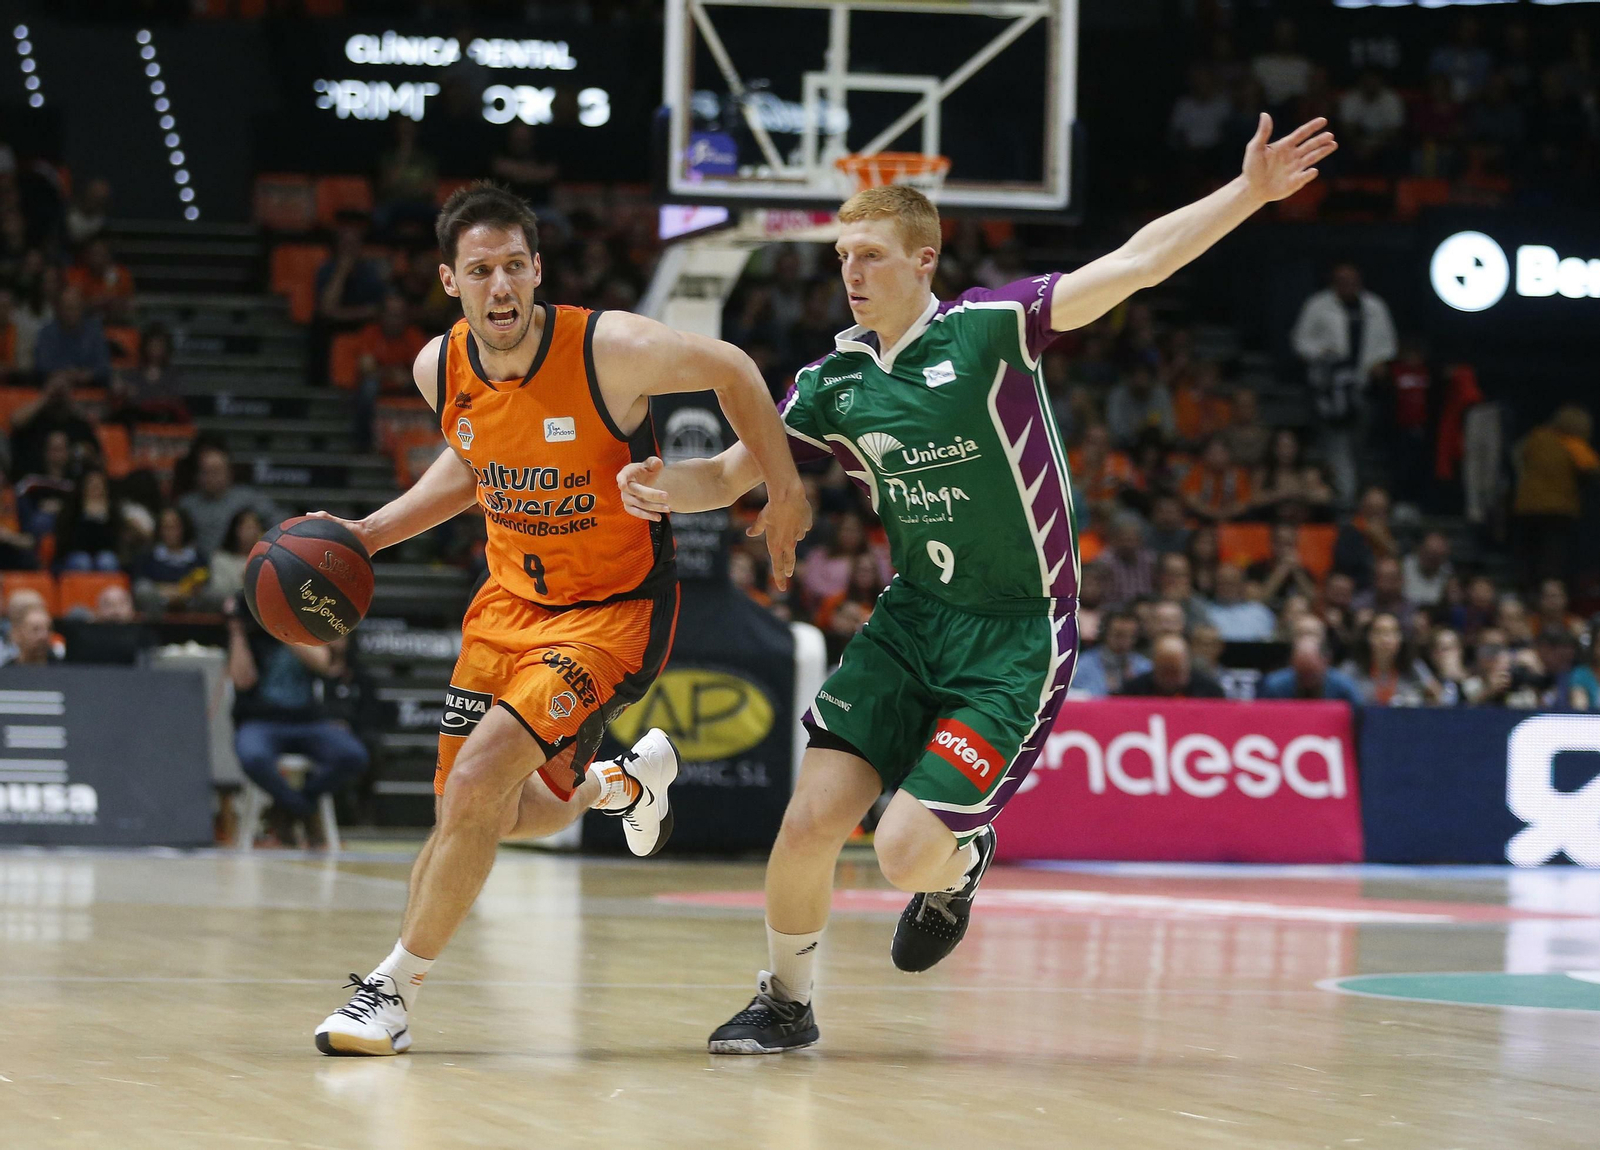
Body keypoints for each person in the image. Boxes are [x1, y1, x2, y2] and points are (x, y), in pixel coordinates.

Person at [616, 114, 1336, 1053]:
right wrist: (654, 488)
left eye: (870, 255)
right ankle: (785, 1006)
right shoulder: (833, 382)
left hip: (1016, 634)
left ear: (925, 261)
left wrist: (1246, 192)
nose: (852, 274)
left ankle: (958, 868)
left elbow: (1136, 265)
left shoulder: (992, 329)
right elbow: (724, 478)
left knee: (903, 851)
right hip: (912, 622)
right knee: (806, 825)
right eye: (843, 258)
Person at [309, 182, 811, 1056]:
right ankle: (621, 785)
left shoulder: (609, 348)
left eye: (513, 267)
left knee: (474, 787)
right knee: (487, 816)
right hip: (505, 607)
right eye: (480, 271)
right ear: (449, 280)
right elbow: (473, 465)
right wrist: (370, 533)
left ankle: (388, 993)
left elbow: (732, 367)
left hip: (611, 613)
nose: (499, 287)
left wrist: (786, 491)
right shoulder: (441, 367)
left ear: (537, 270)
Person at [227, 599, 368, 847]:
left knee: (352, 754)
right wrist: (236, 630)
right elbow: (242, 680)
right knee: (252, 756)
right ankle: (301, 808)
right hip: (261, 721)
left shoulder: (304, 630)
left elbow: (323, 663)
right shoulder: (250, 633)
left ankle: (286, 810)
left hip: (308, 721)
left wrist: (283, 627)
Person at [1290, 264, 1397, 506]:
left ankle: (1358, 495)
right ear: (1333, 282)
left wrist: (1379, 363)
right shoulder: (1318, 305)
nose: (1348, 285)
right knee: (1335, 443)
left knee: (1360, 445)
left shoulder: (1375, 307)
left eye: (1352, 280)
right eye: (1342, 280)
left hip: (1362, 387)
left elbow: (1387, 345)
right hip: (1328, 389)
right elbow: (1300, 341)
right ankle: (1343, 496)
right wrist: (1323, 354)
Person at [1512, 406, 1598, 588]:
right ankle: (1549, 591)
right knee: (1553, 556)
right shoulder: (1575, 445)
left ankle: (1525, 590)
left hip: (1527, 507)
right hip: (1559, 509)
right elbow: (1591, 469)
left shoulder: (1537, 436)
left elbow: (1519, 455)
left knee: (1527, 553)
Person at [177, 444, 279, 559]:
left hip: (238, 565)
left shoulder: (249, 499)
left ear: (229, 472)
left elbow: (278, 523)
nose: (211, 477)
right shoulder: (187, 505)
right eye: (206, 472)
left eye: (216, 471)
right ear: (197, 475)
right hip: (196, 568)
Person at [1342, 612, 1437, 707]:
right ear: (1368, 637)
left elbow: (1437, 696)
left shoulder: (1413, 666)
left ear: (1401, 638)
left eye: (1392, 632)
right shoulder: (1352, 669)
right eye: (1379, 632)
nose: (1385, 639)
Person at [1119, 633, 1227, 699]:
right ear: (1155, 666)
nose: (1170, 678)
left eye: (1175, 671)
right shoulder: (1133, 692)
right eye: (1165, 671)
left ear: (1186, 666)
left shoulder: (1210, 693)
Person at [1259, 636, 1361, 704]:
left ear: (1325, 662)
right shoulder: (1275, 686)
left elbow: (1359, 719)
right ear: (1292, 663)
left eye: (1312, 673)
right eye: (1301, 673)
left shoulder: (1343, 687)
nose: (1306, 679)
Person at [1072, 610, 1150, 698]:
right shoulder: (1082, 666)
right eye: (1118, 635)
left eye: (1130, 636)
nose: (1124, 641)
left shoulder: (1144, 667)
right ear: (1105, 633)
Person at [1246, 522, 1317, 609]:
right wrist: (1282, 570)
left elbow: (1313, 600)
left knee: (1298, 604)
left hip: (1293, 616)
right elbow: (1259, 601)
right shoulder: (1256, 568)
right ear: (1271, 543)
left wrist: (1297, 572)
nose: (1284, 548)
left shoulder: (1302, 571)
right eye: (1280, 543)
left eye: (1288, 544)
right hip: (1264, 614)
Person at [1205, 563, 1275, 642]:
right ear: (1215, 585)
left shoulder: (1260, 612)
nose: (1227, 588)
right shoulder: (1205, 612)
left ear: (1242, 585)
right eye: (1222, 583)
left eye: (1232, 583)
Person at [1401, 532, 1452, 609]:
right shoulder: (1404, 567)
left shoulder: (1448, 572)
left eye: (1437, 555)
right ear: (1420, 549)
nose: (1432, 558)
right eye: (1429, 553)